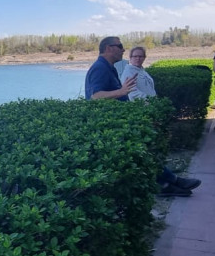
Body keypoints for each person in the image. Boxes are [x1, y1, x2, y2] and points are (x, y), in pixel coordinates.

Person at [85, 37, 200, 196]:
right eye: (120, 46)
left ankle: (168, 183)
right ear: (108, 48)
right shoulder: (100, 68)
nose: (123, 49)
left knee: (145, 152)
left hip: (118, 121)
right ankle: (168, 184)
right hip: (109, 125)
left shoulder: (109, 67)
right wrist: (121, 92)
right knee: (144, 151)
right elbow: (95, 96)